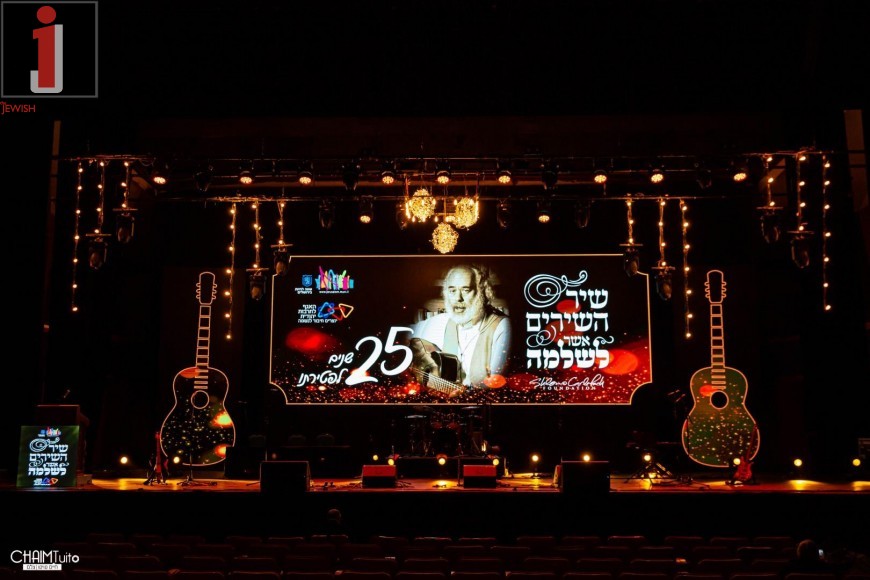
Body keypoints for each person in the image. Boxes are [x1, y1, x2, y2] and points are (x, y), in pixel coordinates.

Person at [410, 264, 511, 393]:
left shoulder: (501, 326)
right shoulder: (439, 321)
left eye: (466, 290)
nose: (458, 298)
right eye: (452, 290)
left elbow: (496, 383)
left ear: (481, 291)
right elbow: (403, 340)